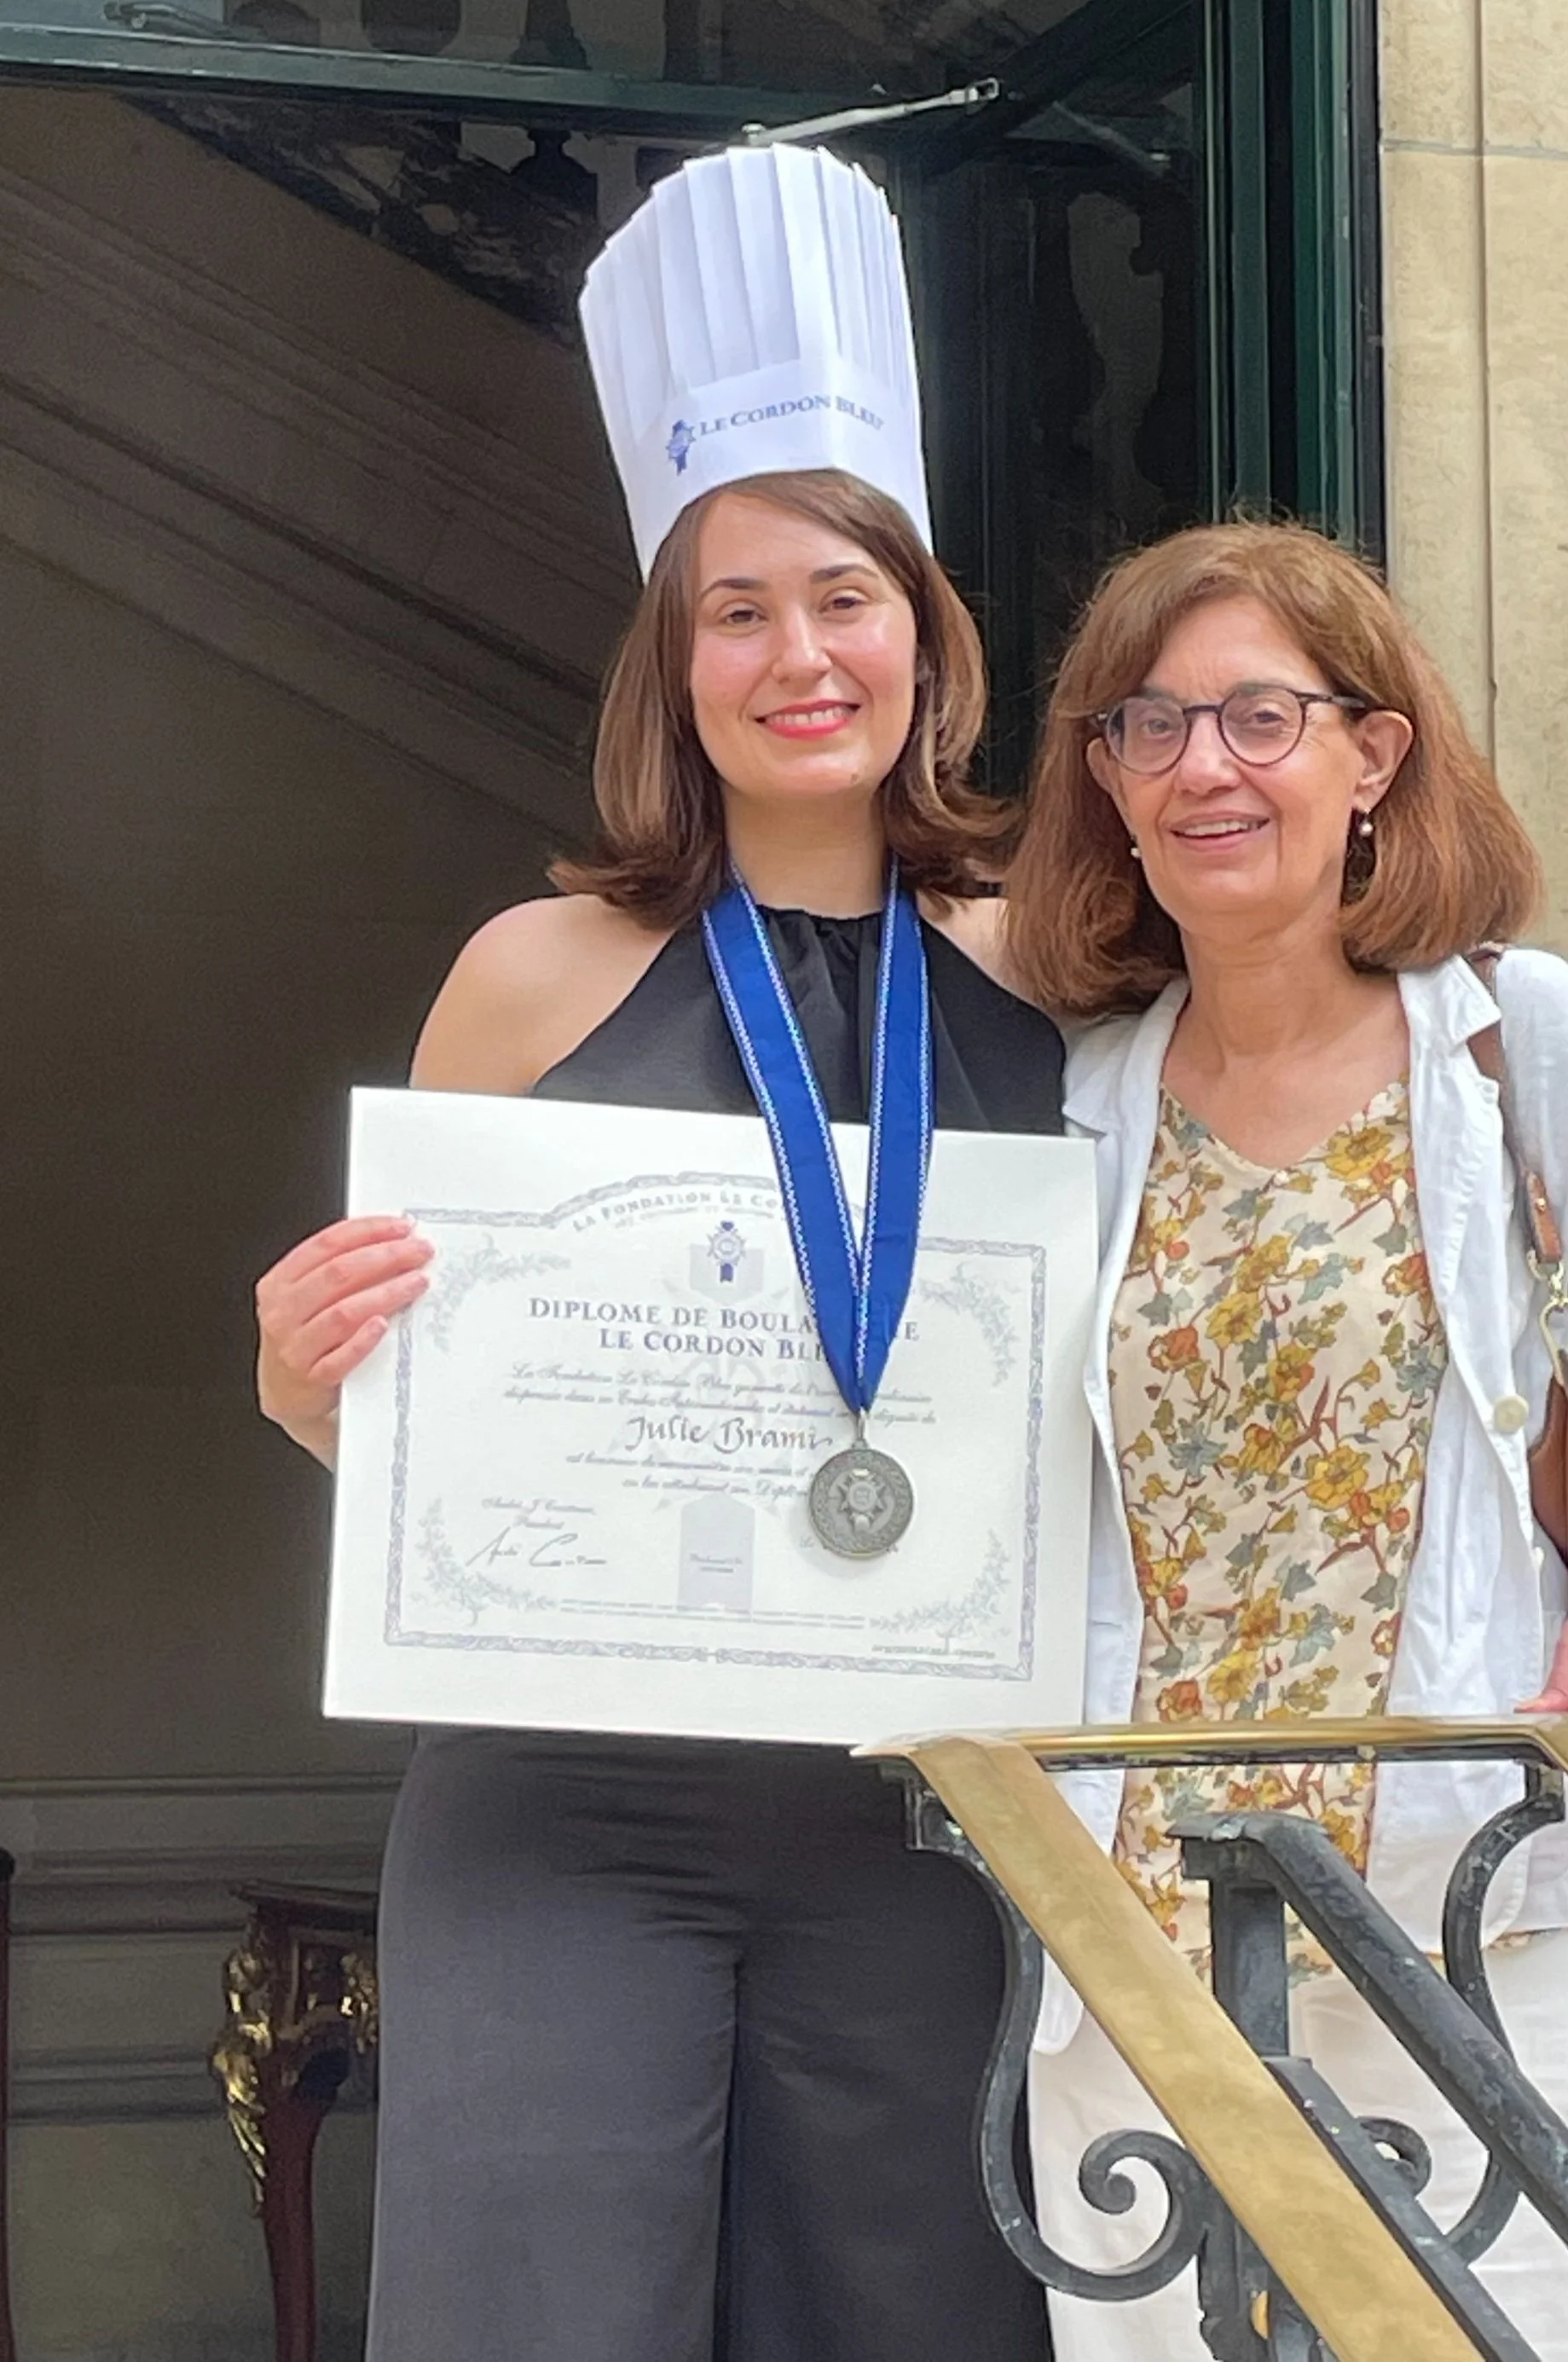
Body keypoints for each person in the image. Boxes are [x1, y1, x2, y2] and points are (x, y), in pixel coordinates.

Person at [254, 146, 1060, 2362]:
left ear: (925, 623)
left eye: (844, 593)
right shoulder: (528, 972)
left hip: (924, 1830)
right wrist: (320, 1390)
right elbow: (425, 1432)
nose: (800, 653)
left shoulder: (1061, 972)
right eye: (738, 606)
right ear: (671, 655)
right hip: (558, 1819)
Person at [1004, 518, 1568, 2360]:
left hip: (1481, 1944)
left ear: (1376, 753)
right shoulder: (1069, 1096)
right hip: (1142, 1979)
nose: (1205, 766)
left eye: (1262, 717)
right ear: (1105, 784)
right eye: (1151, 726)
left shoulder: (1517, 1044)